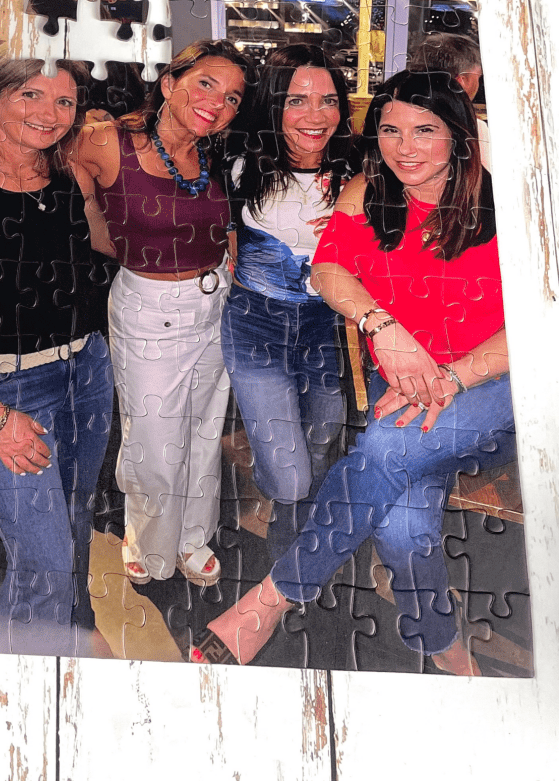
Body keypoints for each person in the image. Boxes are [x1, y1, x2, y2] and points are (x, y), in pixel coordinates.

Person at [203, 71, 513, 675]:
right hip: (400, 388)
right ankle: (441, 642)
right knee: (400, 531)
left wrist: (453, 377)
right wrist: (382, 326)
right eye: (391, 130)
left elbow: (538, 324)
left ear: (459, 134)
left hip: (493, 389)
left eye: (425, 130)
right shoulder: (369, 191)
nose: (405, 147)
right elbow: (327, 270)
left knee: (385, 446)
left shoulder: (509, 205)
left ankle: (275, 595)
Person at [71, 39, 253, 587]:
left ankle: (193, 537)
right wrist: (105, 231)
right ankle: (147, 540)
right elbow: (63, 162)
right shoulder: (107, 142)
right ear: (170, 83)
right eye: (206, 84)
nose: (218, 103)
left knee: (203, 431)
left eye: (232, 97)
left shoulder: (220, 153)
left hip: (214, 302)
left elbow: (227, 226)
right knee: (153, 439)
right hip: (148, 308)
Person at [0, 57, 115, 656]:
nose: (49, 115)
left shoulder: (64, 173)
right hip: (3, 388)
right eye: (31, 95)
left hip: (86, 371)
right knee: (43, 556)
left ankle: (74, 629)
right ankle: (21, 683)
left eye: (65, 102)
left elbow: (97, 248)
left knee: (74, 521)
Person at [221, 45, 352, 565]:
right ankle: (286, 559)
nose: (315, 115)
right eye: (297, 100)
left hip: (326, 330)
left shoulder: (361, 172)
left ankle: (302, 540)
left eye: (328, 100)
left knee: (322, 441)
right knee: (291, 474)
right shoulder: (238, 165)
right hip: (256, 328)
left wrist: (356, 226)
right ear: (274, 104)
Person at [407, 31, 490, 168]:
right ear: (463, 81)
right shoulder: (473, 129)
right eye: (478, 77)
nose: (479, 84)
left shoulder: (392, 118)